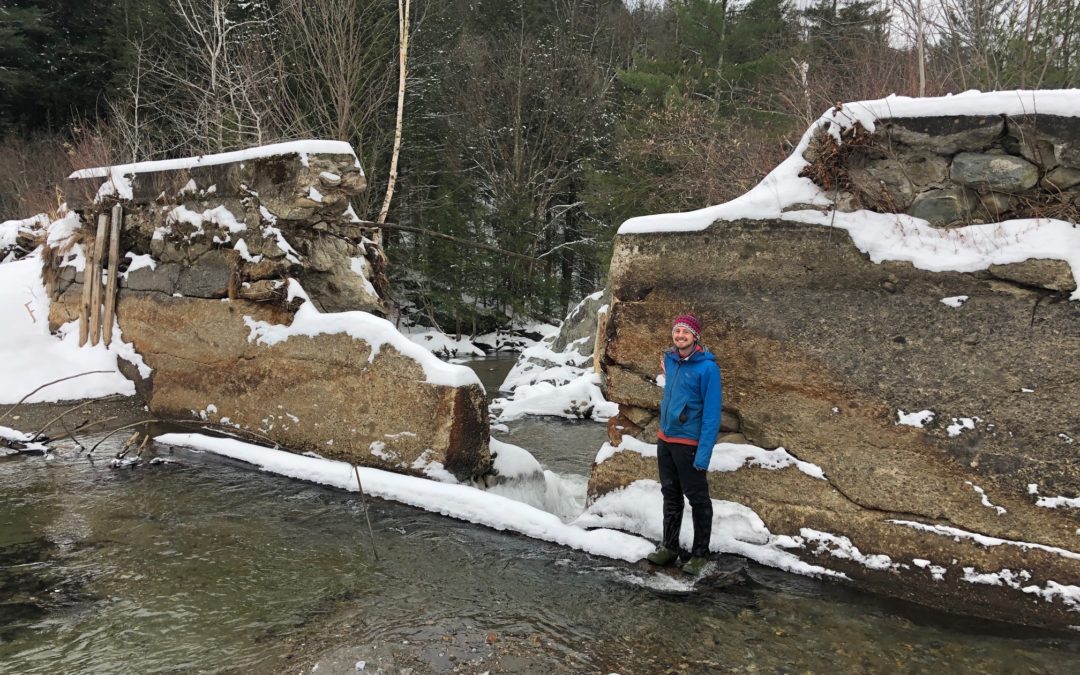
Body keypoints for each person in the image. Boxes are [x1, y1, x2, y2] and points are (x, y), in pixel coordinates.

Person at [646, 313, 722, 576]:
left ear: (695, 336)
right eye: (677, 331)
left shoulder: (708, 368)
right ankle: (669, 546)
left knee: (698, 499)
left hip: (688, 443)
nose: (680, 336)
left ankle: (700, 553)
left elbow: (712, 415)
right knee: (670, 494)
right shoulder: (671, 360)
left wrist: (703, 454)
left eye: (685, 332)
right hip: (666, 439)